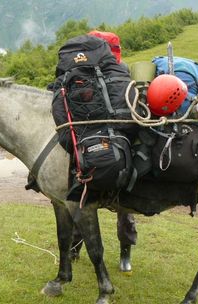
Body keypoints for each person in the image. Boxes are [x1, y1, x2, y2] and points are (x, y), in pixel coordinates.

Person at [69, 30, 138, 273]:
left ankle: (124, 252)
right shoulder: (88, 72)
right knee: (83, 197)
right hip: (94, 139)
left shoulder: (122, 71)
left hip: (117, 139)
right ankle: (77, 247)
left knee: (120, 205)